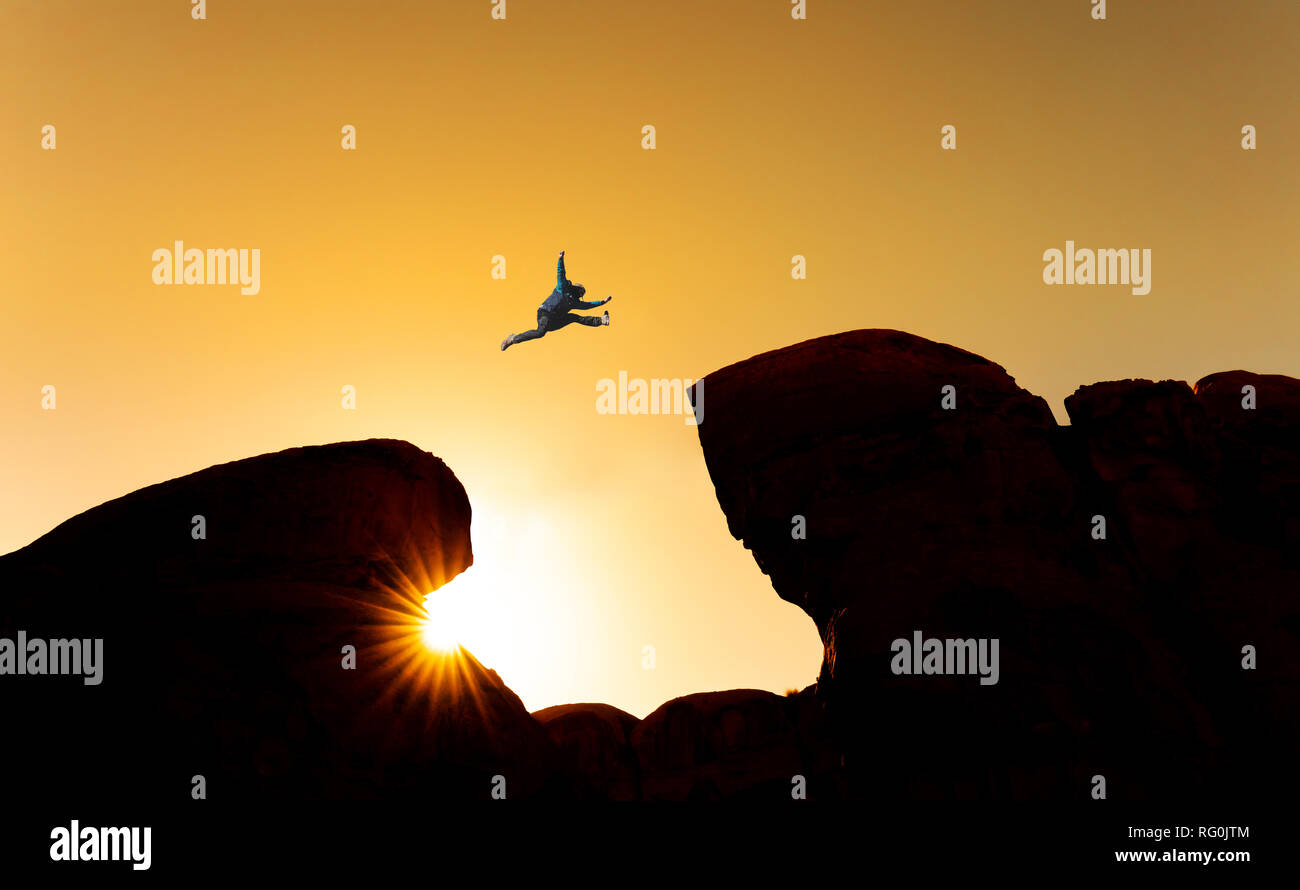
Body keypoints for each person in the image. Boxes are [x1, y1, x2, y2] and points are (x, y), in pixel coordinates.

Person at [501, 250, 612, 350]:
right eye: (580, 292)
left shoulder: (574, 302)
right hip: (545, 313)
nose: (579, 295)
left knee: (574, 317)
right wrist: (560, 259)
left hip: (554, 321)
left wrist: (602, 302)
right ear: (576, 289)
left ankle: (601, 320)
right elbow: (561, 273)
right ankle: (513, 339)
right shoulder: (563, 287)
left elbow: (587, 305)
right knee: (540, 332)